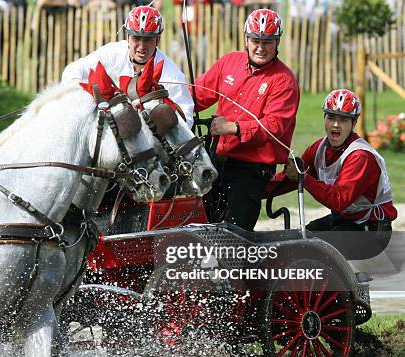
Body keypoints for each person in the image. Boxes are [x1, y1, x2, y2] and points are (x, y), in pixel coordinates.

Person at [192, 8, 300, 231]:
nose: (260, 47)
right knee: (202, 224)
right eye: (255, 40)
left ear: (277, 42)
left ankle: (236, 265)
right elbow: (197, 95)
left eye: (267, 42)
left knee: (233, 232)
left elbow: (275, 126)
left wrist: (231, 127)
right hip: (216, 158)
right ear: (246, 39)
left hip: (252, 169)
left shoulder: (284, 81)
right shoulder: (229, 62)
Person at [267, 89, 397, 258]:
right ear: (324, 118)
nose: (336, 124)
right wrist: (256, 190)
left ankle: (344, 283)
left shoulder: (360, 156)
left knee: (314, 250)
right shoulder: (318, 149)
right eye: (331, 117)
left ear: (354, 123)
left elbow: (339, 201)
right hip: (346, 222)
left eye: (343, 119)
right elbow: (292, 178)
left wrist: (303, 178)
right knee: (300, 240)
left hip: (371, 231)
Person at [62, 5, 194, 130]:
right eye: (136, 38)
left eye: (148, 39)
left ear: (158, 39)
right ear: (127, 36)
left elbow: (186, 120)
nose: (141, 46)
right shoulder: (112, 53)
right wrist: (92, 97)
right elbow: (71, 72)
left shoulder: (172, 74)